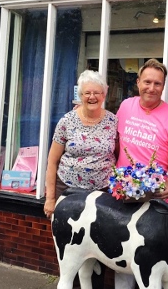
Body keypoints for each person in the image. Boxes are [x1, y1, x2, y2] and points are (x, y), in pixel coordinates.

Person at [114, 58, 168, 289]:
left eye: (157, 83)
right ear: (138, 82)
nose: (151, 88)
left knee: (157, 263)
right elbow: (112, 139)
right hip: (126, 199)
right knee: (123, 258)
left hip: (158, 202)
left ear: (163, 86)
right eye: (147, 82)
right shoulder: (125, 106)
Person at [43, 69, 118, 288]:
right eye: (87, 93)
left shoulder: (113, 122)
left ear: (104, 94)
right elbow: (52, 161)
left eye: (96, 92)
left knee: (99, 247)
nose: (92, 97)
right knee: (70, 248)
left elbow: (118, 154)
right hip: (69, 192)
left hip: (102, 196)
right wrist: (50, 198)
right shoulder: (67, 122)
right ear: (80, 95)